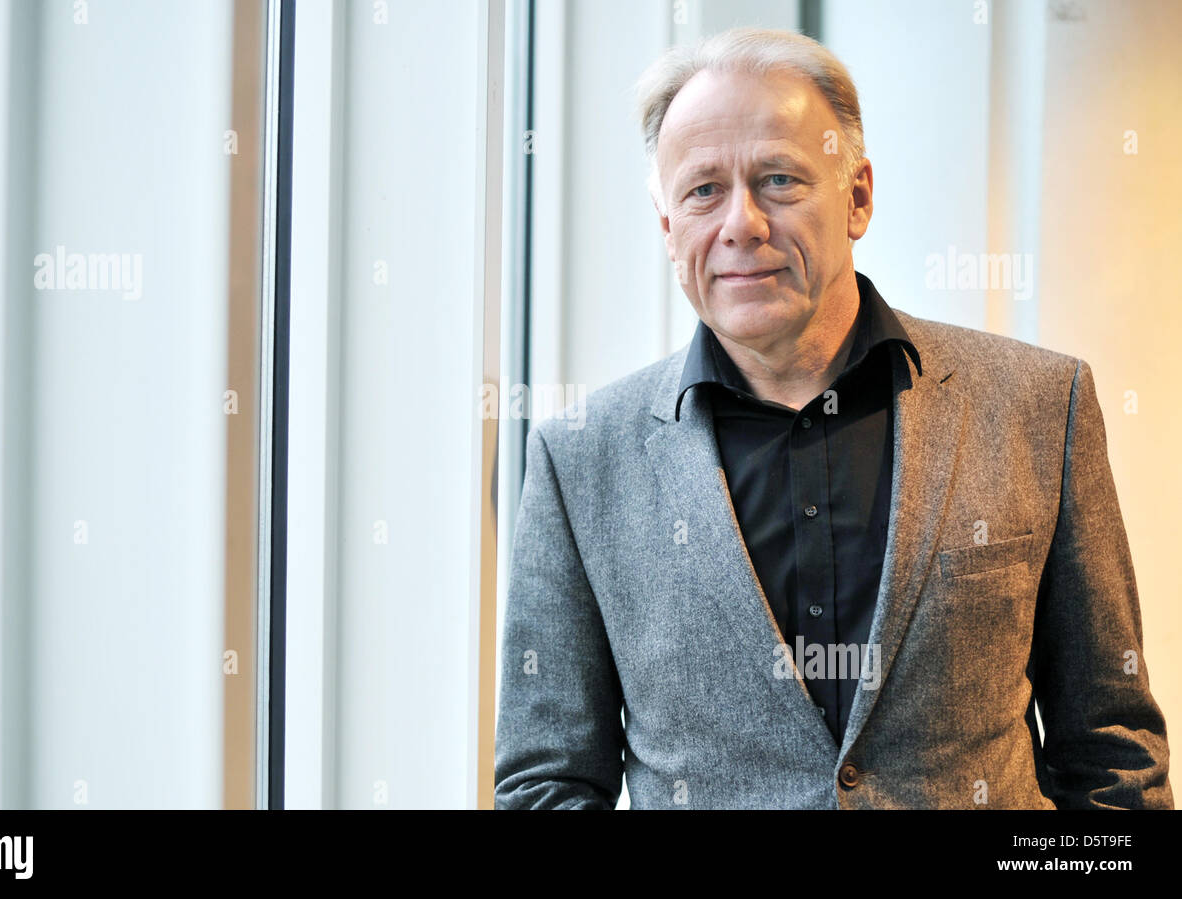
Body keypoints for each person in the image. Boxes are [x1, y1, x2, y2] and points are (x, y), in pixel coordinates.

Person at [493, 27, 1172, 809]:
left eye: (779, 180)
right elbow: (547, 785)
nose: (741, 224)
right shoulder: (579, 459)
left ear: (857, 197)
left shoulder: (1038, 405)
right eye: (703, 190)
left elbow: (1115, 757)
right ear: (667, 227)